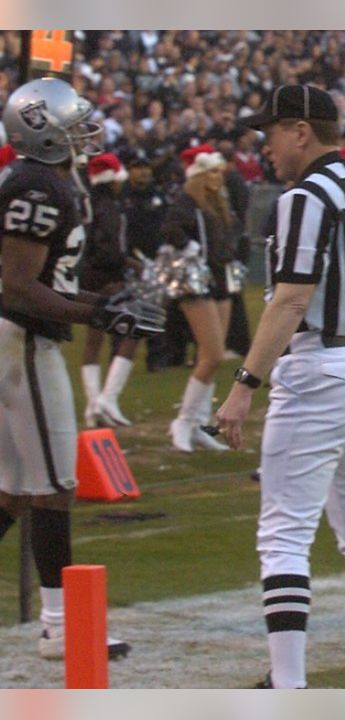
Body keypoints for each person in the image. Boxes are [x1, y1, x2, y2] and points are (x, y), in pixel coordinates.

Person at [215, 85, 345, 690]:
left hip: (322, 368)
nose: (265, 147)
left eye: (271, 133)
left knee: (283, 535)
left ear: (300, 131)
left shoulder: (304, 198)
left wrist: (245, 383)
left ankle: (288, 684)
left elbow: (291, 298)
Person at [0, 77, 164, 661]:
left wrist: (99, 307)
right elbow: (15, 286)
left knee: (16, 493)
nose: (84, 133)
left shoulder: (47, 180)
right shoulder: (35, 186)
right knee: (53, 489)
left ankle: (56, 624)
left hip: (22, 339)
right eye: (72, 125)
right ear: (42, 132)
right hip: (19, 342)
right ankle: (60, 627)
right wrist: (96, 313)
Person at [161, 143, 239, 452]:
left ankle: (198, 425)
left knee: (213, 358)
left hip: (220, 279)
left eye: (220, 172)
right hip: (196, 282)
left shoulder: (217, 203)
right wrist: (188, 245)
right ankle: (182, 421)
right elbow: (169, 230)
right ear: (200, 174)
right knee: (213, 354)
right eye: (213, 172)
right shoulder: (185, 201)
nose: (219, 177)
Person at [79, 151, 141, 427]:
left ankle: (93, 406)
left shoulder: (88, 203)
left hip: (87, 276)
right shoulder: (109, 208)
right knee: (132, 331)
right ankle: (107, 399)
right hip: (108, 278)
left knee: (93, 341)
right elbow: (110, 249)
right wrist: (129, 263)